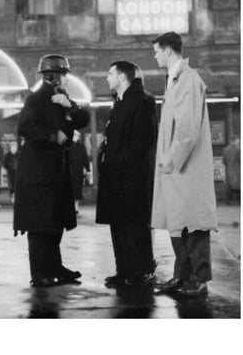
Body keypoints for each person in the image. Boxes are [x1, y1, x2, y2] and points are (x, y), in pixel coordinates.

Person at [13, 54, 90, 287]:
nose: (67, 79)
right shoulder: (35, 99)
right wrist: (52, 135)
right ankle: (41, 273)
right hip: (38, 173)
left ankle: (55, 267)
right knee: (40, 225)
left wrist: (71, 106)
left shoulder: (62, 98)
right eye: (65, 75)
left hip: (55, 171)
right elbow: (24, 127)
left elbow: (82, 120)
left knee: (54, 222)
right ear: (54, 77)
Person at [151, 32, 218, 297]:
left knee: (194, 223)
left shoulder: (188, 79)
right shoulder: (176, 79)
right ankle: (182, 276)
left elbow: (187, 129)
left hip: (185, 168)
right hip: (177, 169)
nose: (155, 56)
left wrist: (170, 159)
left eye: (157, 51)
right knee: (180, 222)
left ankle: (199, 280)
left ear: (168, 51)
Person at [96, 60, 158, 287]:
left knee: (134, 226)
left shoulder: (142, 101)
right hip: (115, 176)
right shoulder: (119, 102)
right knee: (118, 225)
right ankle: (123, 270)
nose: (107, 77)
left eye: (110, 73)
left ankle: (141, 271)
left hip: (133, 178)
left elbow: (143, 140)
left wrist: (118, 162)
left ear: (123, 77)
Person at [68, 131, 90, 214]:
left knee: (77, 189)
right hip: (70, 170)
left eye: (77, 135)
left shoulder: (81, 145)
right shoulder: (68, 145)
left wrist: (88, 169)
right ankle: (71, 207)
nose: (75, 137)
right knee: (71, 189)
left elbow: (85, 157)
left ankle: (76, 207)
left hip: (78, 171)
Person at [223, 135, 240, 204]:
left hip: (229, 169)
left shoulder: (226, 150)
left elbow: (224, 161)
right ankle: (239, 200)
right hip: (238, 169)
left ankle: (229, 200)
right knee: (239, 184)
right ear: (236, 140)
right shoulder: (239, 150)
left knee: (229, 185)